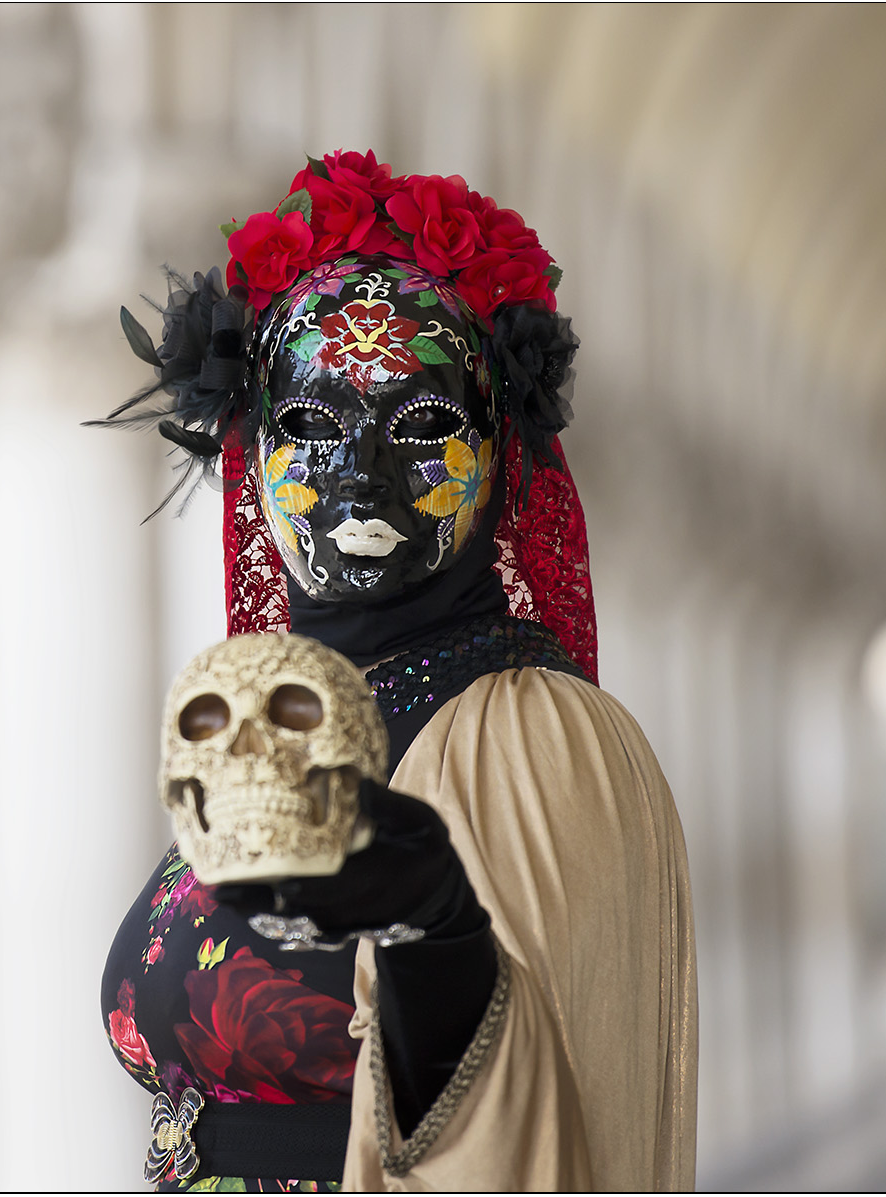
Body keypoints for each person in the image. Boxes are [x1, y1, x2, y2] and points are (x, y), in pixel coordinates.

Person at [99, 151, 697, 1192]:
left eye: (419, 428)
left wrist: (437, 929)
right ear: (248, 450)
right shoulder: (286, 722)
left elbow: (536, 1112)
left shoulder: (536, 742)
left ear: (499, 450)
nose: (357, 479)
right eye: (311, 427)